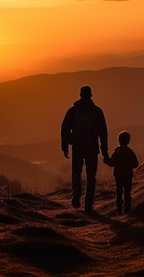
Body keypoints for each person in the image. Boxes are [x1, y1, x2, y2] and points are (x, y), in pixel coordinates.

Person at [61, 85, 108, 213]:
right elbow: (103, 133)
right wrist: (105, 152)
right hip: (92, 148)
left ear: (80, 95)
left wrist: (64, 146)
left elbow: (65, 129)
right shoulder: (97, 112)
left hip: (77, 147)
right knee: (91, 177)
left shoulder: (73, 111)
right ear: (91, 95)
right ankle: (88, 204)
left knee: (76, 172)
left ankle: (76, 193)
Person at [104, 131, 139, 215]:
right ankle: (127, 209)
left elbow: (111, 163)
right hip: (128, 176)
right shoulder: (130, 152)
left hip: (118, 176)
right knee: (127, 192)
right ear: (128, 141)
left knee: (119, 192)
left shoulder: (117, 152)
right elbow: (136, 164)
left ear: (119, 140)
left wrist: (106, 159)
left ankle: (119, 209)